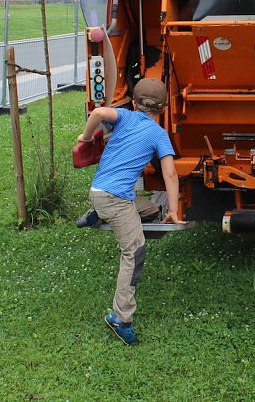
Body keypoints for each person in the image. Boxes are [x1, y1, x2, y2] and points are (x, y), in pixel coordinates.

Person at [75, 78, 183, 345]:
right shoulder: (159, 135)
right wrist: (174, 210)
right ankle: (121, 318)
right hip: (116, 200)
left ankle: (97, 213)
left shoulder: (123, 116)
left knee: (149, 211)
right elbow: (170, 173)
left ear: (134, 103)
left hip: (100, 192)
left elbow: (99, 112)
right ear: (164, 110)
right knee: (134, 252)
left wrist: (85, 136)